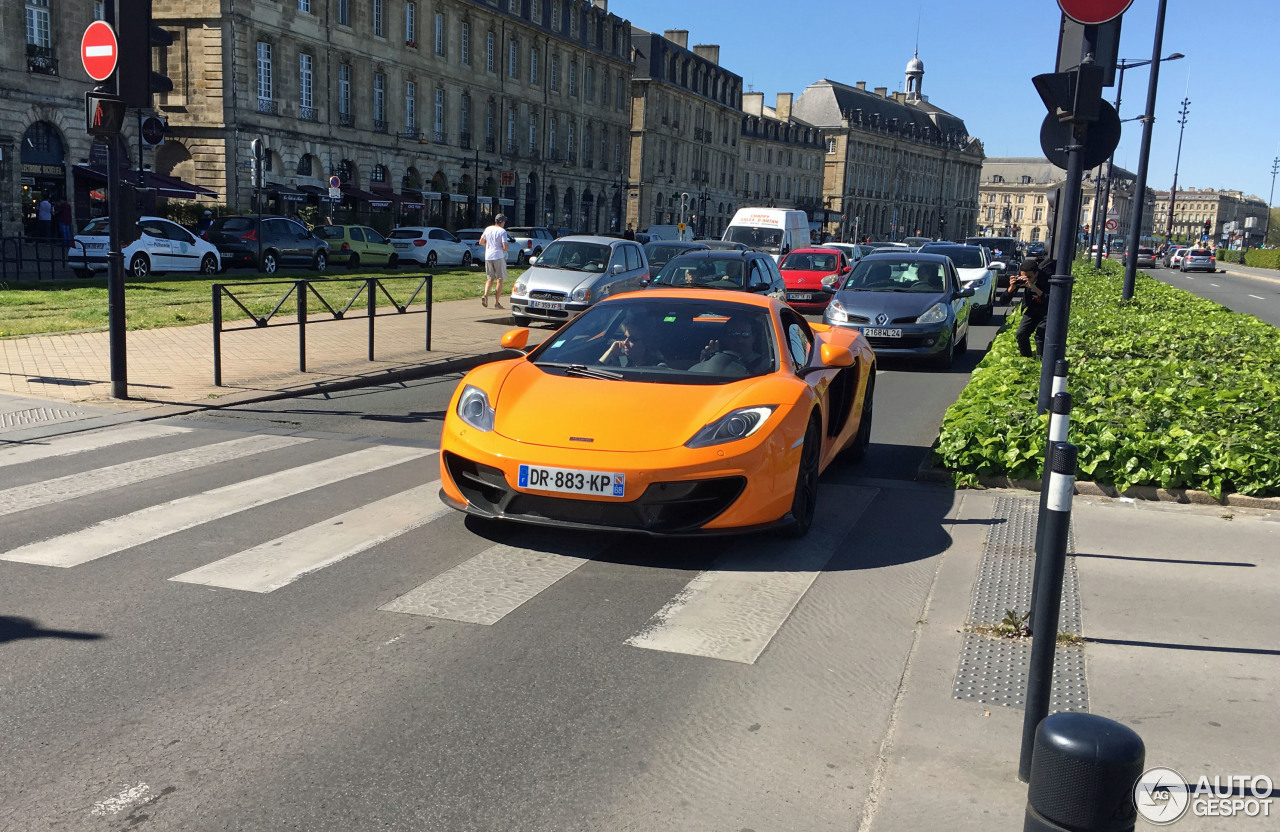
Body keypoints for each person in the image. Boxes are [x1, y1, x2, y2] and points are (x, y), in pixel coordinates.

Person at [690, 316, 763, 376]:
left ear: (754, 337)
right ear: (725, 339)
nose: (739, 340)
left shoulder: (766, 364)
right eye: (733, 335)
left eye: (745, 334)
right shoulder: (714, 361)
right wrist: (706, 361)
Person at [1011, 258, 1052, 359]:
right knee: (1021, 334)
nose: (1026, 279)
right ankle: (1027, 358)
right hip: (1033, 308)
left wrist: (1033, 287)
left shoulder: (1048, 279)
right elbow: (1003, 300)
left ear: (1036, 273)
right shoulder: (1022, 277)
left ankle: (1042, 360)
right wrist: (1011, 287)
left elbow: (1051, 300)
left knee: (1040, 335)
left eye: (1029, 277)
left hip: (1048, 310)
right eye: (1024, 276)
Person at [598, 316, 665, 367]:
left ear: (646, 342)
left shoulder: (657, 368)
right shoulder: (625, 363)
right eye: (624, 337)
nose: (625, 342)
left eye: (631, 339)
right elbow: (596, 374)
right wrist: (610, 351)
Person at [479, 213, 509, 309]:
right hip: (498, 256)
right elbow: (505, 246)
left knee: (490, 278)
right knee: (499, 279)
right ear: (502, 222)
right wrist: (505, 248)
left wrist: (488, 246)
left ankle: (485, 295)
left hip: (488, 256)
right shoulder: (502, 231)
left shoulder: (488, 229)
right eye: (504, 221)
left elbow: (481, 242)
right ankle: (496, 303)